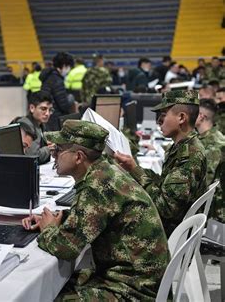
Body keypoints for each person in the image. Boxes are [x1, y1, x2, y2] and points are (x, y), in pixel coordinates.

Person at [22, 120, 168, 301]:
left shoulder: (97, 186)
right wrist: (59, 218)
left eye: (58, 150)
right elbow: (96, 216)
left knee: (45, 294)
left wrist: (49, 228)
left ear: (78, 157)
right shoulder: (104, 171)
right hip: (139, 277)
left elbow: (65, 248)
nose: (53, 156)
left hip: (134, 290)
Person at [114, 89, 207, 236]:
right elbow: (164, 184)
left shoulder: (189, 156)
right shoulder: (183, 146)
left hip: (168, 233)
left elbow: (165, 208)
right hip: (171, 227)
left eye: (163, 116)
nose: (158, 122)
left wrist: (135, 170)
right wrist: (133, 168)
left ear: (181, 118)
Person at [195, 98, 225, 222]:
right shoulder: (205, 138)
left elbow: (204, 184)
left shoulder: (215, 146)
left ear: (201, 117)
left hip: (212, 216)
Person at [39, 52, 75, 131]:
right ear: (64, 65)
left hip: (48, 116)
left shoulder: (48, 77)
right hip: (55, 119)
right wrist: (70, 98)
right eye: (69, 67)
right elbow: (64, 105)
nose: (69, 71)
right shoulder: (57, 80)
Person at [17, 91, 54, 164]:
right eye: (43, 109)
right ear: (32, 108)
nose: (47, 114)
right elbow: (32, 157)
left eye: (50, 110)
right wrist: (50, 148)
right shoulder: (26, 125)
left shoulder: (40, 124)